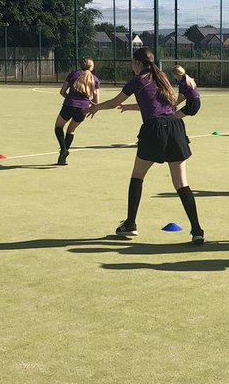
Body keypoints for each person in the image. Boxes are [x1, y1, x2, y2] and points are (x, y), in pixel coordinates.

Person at [86, 48, 206, 243]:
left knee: (137, 176)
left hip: (153, 130)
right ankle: (197, 231)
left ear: (137, 63)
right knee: (182, 184)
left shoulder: (137, 81)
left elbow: (115, 101)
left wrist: (95, 107)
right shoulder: (162, 77)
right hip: (175, 128)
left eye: (132, 63)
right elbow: (164, 104)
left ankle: (130, 224)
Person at [55, 58, 100, 166]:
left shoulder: (73, 74)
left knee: (58, 127)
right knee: (71, 130)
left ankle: (64, 149)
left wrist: (70, 99)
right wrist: (87, 104)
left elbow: (62, 91)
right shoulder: (95, 79)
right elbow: (96, 101)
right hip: (83, 109)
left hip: (69, 105)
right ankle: (62, 157)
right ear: (91, 66)